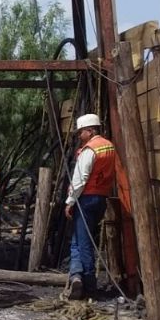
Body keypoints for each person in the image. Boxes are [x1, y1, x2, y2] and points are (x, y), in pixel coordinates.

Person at [65, 113, 117, 300]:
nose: (79, 136)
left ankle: (87, 284)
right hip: (101, 198)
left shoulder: (90, 150)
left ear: (90, 130)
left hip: (85, 199)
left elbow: (81, 179)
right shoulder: (109, 147)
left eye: (81, 132)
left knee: (82, 243)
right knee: (79, 240)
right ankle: (76, 275)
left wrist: (70, 201)